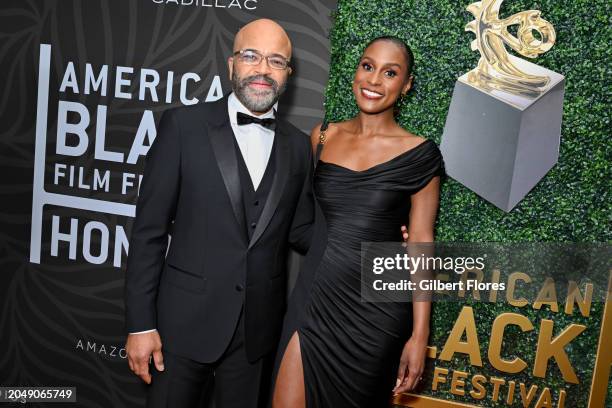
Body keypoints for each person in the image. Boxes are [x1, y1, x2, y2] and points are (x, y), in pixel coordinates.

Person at [124, 18, 315, 408]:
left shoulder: (297, 147)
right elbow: (148, 232)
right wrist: (141, 325)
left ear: (288, 75)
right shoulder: (183, 126)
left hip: (255, 337)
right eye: (251, 56)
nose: (263, 69)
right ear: (231, 65)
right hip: (180, 328)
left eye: (276, 61)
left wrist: (371, 230)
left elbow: (303, 231)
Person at [272, 36, 445, 407]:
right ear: (356, 71)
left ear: (406, 85)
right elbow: (297, 222)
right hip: (313, 298)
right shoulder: (320, 138)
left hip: (375, 315)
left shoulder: (421, 154)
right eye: (368, 66)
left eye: (390, 73)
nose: (374, 80)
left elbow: (421, 242)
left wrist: (419, 335)